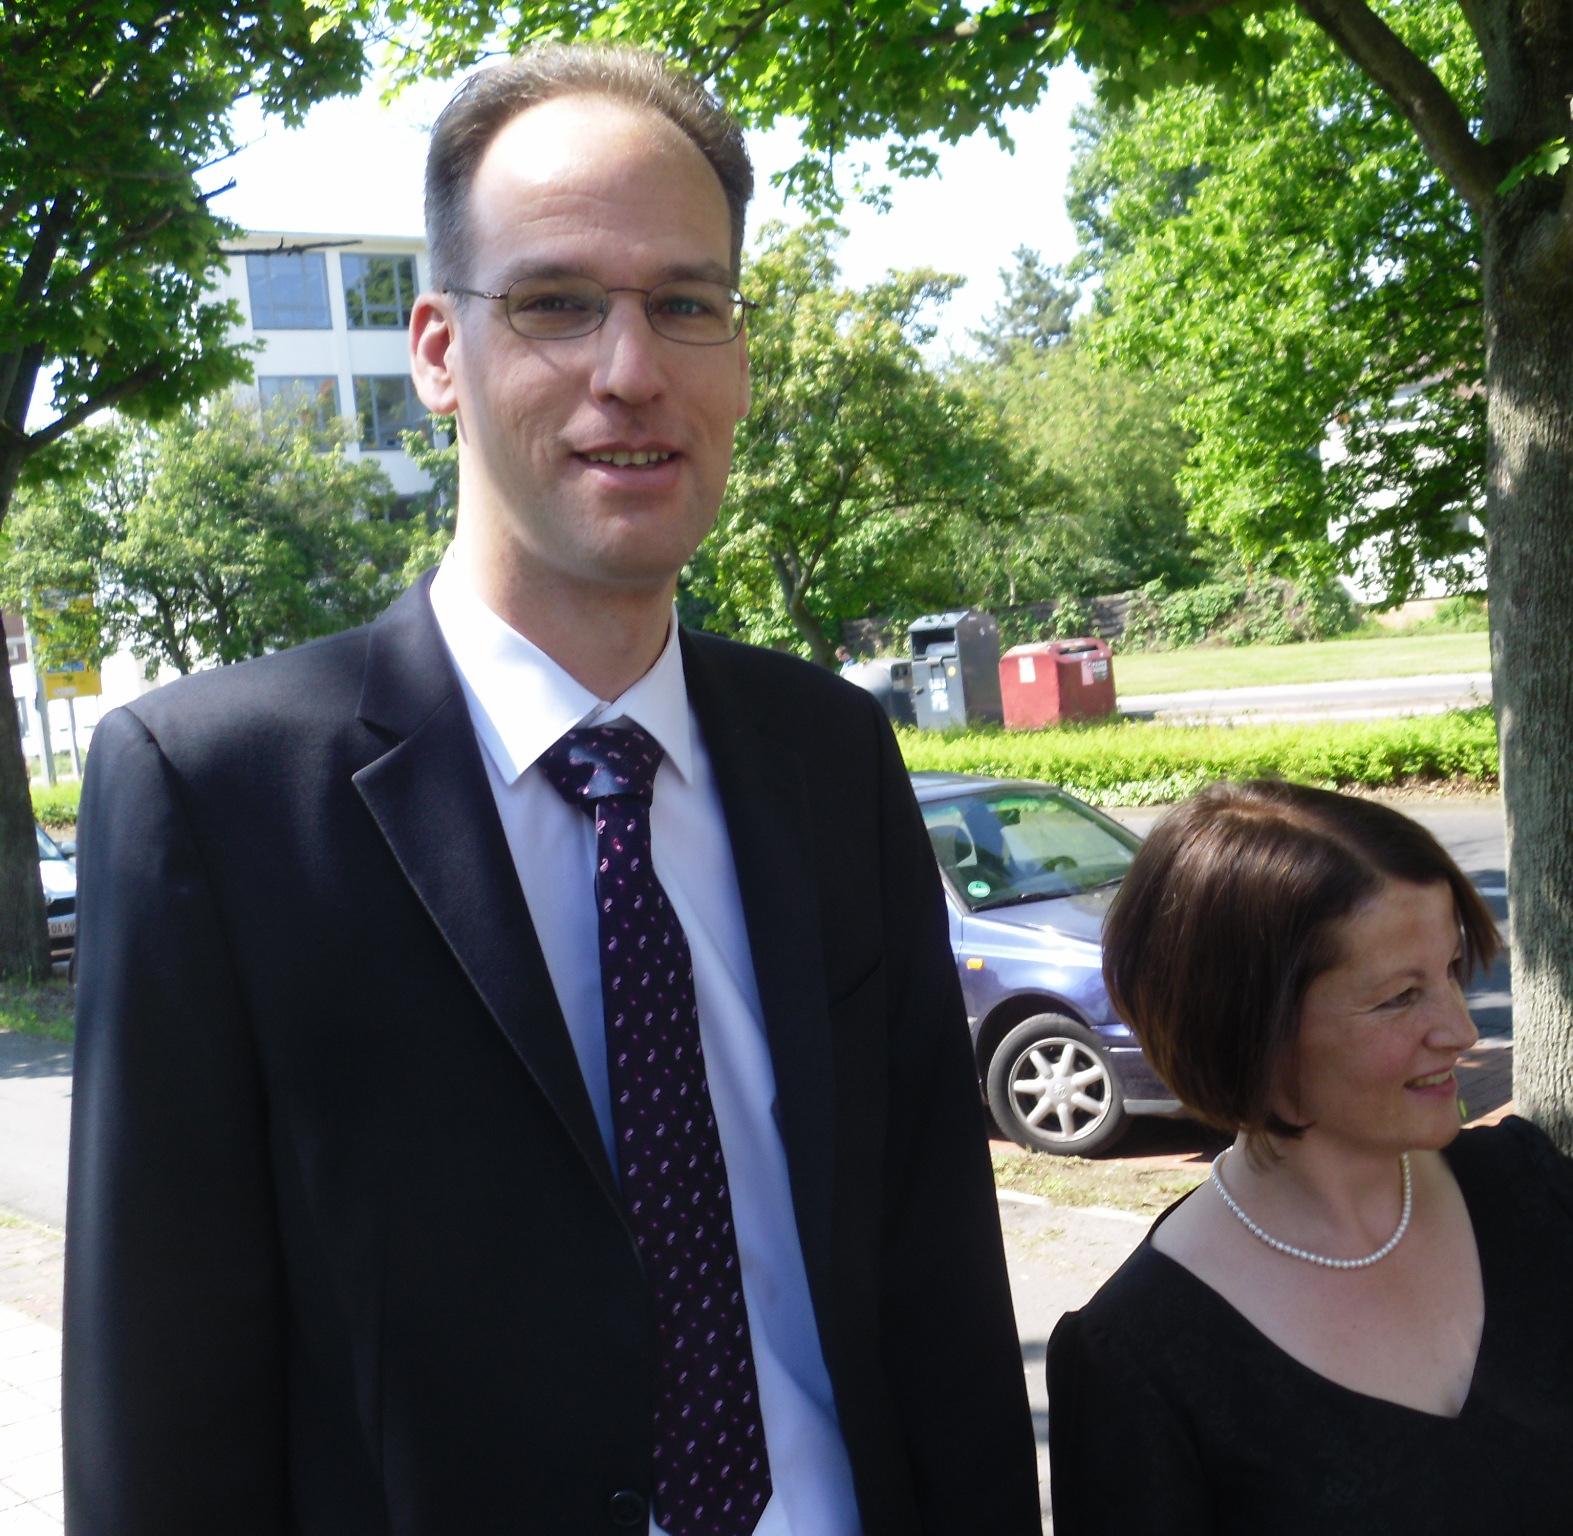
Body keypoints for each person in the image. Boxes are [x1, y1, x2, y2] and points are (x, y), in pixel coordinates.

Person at [63, 44, 1040, 1536]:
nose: (630, 369)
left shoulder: (832, 754)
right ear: (437, 352)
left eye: (686, 304)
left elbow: (939, 1278)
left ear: (738, 354)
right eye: (555, 303)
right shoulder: (213, 795)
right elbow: (164, 1414)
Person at [1047, 780, 1573, 1535]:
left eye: (1452, 971)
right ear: (1248, 1028)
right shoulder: (1139, 1356)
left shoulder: (1531, 1194)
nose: (1461, 1031)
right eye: (1400, 997)